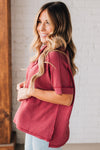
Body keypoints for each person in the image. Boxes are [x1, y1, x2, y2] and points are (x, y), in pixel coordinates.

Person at [13, 1, 78, 150]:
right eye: (39, 22)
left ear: (60, 25)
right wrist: (27, 84)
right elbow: (48, 82)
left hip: (45, 128)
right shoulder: (46, 51)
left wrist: (30, 91)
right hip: (36, 124)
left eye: (47, 23)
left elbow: (66, 98)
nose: (40, 27)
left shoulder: (55, 55)